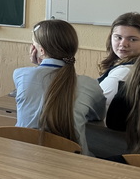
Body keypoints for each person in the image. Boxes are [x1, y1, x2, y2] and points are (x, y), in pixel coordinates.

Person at [13, 19, 106, 156]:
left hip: (24, 156)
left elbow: (43, 82)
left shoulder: (21, 74)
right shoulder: (90, 85)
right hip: (73, 162)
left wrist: (39, 65)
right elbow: (98, 115)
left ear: (40, 50)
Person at [97, 12, 140, 108]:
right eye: (118, 37)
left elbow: (93, 105)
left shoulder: (124, 72)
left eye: (132, 39)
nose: (123, 44)